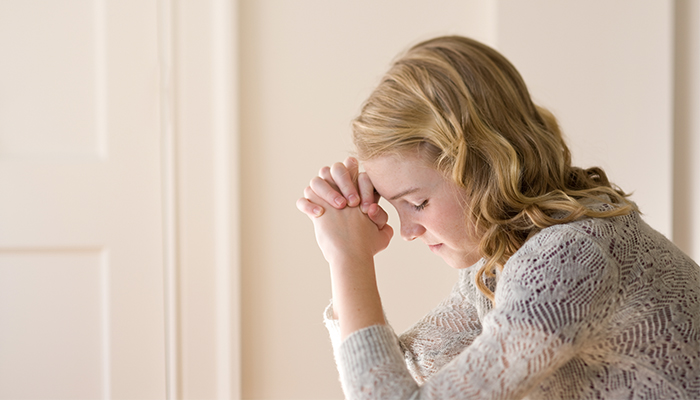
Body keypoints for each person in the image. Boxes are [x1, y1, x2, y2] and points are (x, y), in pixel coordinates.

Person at [296, 35, 700, 399]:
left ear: (484, 168)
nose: (407, 230)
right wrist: (347, 240)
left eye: (417, 203)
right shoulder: (502, 259)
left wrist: (350, 260)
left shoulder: (568, 257)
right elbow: (406, 369)